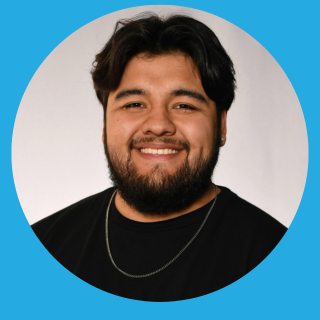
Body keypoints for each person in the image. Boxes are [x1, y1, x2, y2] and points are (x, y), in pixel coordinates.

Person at [32, 13, 287, 301]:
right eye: (135, 103)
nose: (158, 124)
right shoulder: (41, 247)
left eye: (184, 105)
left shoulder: (277, 257)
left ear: (222, 126)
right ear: (104, 124)